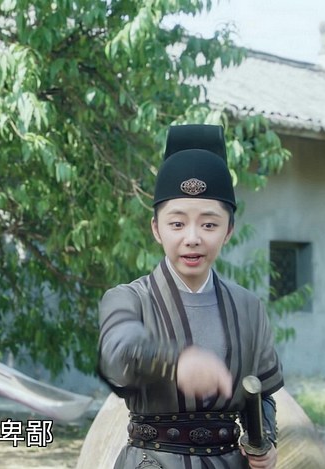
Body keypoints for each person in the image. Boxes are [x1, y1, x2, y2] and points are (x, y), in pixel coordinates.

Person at [96, 125, 284, 469]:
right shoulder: (128, 299)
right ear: (156, 229)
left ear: (228, 231)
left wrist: (263, 440)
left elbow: (261, 392)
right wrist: (174, 362)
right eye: (177, 224)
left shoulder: (248, 307)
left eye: (209, 225)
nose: (193, 238)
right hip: (152, 461)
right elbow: (117, 352)